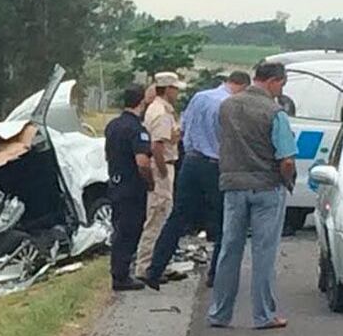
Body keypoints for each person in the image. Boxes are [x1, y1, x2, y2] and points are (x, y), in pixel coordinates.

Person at [139, 71, 251, 289]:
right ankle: (216, 274)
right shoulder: (231, 105)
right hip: (214, 165)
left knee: (178, 217)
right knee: (223, 220)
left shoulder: (200, 97)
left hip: (191, 162)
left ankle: (154, 269)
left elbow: (182, 129)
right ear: (242, 86)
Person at [207, 62, 297, 330]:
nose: (281, 89)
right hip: (267, 187)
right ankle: (263, 315)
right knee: (263, 253)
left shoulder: (227, 106)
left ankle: (220, 313)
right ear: (273, 81)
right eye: (282, 84)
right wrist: (286, 180)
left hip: (233, 185)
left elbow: (221, 141)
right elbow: (287, 159)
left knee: (229, 250)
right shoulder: (275, 112)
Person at [105, 84, 154, 291]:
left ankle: (119, 271)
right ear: (141, 102)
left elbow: (108, 154)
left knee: (120, 229)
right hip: (132, 186)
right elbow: (142, 161)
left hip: (115, 182)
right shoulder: (137, 129)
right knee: (130, 229)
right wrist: (150, 181)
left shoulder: (113, 125)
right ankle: (121, 276)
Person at [135, 73, 184, 281]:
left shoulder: (159, 109)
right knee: (158, 216)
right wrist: (163, 172)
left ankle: (158, 262)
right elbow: (157, 145)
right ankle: (146, 266)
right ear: (168, 89)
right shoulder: (162, 112)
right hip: (162, 166)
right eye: (176, 89)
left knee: (162, 215)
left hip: (164, 165)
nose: (178, 93)